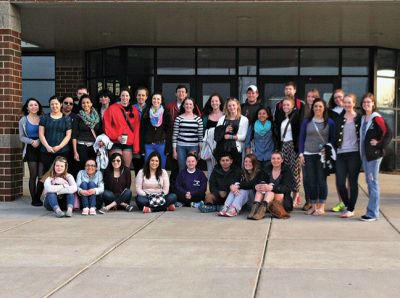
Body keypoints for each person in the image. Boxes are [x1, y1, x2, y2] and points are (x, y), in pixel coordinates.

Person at [299, 98, 336, 216]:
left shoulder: (330, 122)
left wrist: (328, 150)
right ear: (312, 108)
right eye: (315, 106)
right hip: (308, 154)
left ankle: (322, 206)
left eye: (320, 106)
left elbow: (333, 140)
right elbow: (301, 138)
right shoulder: (306, 121)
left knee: (321, 180)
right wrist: (301, 153)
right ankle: (313, 206)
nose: (318, 108)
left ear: (324, 108)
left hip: (322, 156)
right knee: (311, 181)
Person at [359, 93, 391, 221]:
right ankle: (371, 211)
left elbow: (388, 133)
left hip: (374, 156)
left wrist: (379, 144)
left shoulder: (376, 118)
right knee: (369, 182)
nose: (366, 104)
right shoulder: (363, 118)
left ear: (373, 104)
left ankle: (373, 213)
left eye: (369, 102)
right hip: (366, 156)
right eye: (364, 102)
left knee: (373, 183)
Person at [335, 94, 362, 218]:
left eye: (349, 102)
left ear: (354, 103)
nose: (347, 104)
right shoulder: (339, 118)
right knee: (340, 183)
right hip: (341, 153)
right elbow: (334, 135)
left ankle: (351, 209)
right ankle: (347, 205)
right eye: (345, 102)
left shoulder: (360, 118)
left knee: (352, 182)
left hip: (354, 154)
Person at [248, 151, 293, 220]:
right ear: (271, 160)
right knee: (260, 189)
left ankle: (261, 211)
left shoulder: (286, 170)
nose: (275, 160)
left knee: (270, 191)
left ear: (282, 160)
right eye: (273, 158)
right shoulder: (266, 168)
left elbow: (287, 188)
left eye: (278, 158)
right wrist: (257, 186)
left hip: (280, 199)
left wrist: (272, 187)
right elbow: (256, 181)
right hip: (268, 198)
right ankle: (254, 210)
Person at [274, 97, 302, 206]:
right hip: (283, 146)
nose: (285, 107)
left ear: (292, 106)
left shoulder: (296, 116)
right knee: (285, 171)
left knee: (295, 172)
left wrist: (299, 150)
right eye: (284, 105)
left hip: (293, 146)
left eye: (288, 105)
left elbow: (299, 133)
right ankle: (287, 195)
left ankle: (296, 196)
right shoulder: (280, 116)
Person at [103, 88, 140, 168]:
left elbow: (137, 130)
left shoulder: (134, 110)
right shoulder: (112, 108)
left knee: (126, 168)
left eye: (127, 95)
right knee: (115, 167)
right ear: (120, 96)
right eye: (123, 95)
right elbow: (107, 126)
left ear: (130, 97)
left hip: (128, 142)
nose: (125, 97)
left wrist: (136, 147)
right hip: (115, 142)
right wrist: (116, 136)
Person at [19, 98, 44, 206]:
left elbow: (46, 133)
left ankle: (38, 197)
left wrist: (39, 140)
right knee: (33, 175)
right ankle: (34, 199)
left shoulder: (43, 118)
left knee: (41, 176)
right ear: (27, 108)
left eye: (36, 105)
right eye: (31, 105)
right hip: (31, 148)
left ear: (38, 107)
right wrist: (31, 141)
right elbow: (21, 137)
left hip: (42, 148)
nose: (34, 107)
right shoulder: (23, 120)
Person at [39, 96, 72, 173]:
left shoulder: (66, 118)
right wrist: (47, 147)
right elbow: (41, 134)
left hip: (63, 151)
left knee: (61, 173)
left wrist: (59, 146)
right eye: (52, 104)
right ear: (50, 105)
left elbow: (68, 135)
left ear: (60, 104)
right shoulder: (44, 118)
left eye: (56, 104)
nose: (54, 106)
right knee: (47, 173)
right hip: (46, 151)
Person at [214, 97, 249, 167]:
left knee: (236, 170)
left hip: (236, 149)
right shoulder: (222, 119)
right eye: (229, 106)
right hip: (223, 149)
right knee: (223, 170)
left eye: (233, 105)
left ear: (237, 106)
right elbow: (216, 133)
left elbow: (243, 137)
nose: (231, 107)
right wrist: (225, 130)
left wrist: (230, 137)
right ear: (227, 107)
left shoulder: (244, 119)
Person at [140, 92, 172, 169]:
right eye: (154, 98)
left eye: (158, 99)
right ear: (151, 100)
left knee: (161, 167)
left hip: (161, 145)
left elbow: (169, 131)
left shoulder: (166, 113)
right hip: (148, 145)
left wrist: (168, 148)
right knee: (148, 168)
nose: (156, 101)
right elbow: (142, 131)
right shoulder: (146, 112)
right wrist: (142, 148)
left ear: (161, 101)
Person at [172, 98, 203, 171]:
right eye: (186, 104)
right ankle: (182, 182)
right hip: (180, 147)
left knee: (192, 168)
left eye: (190, 104)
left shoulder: (198, 119)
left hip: (194, 147)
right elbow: (175, 135)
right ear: (183, 106)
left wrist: (201, 150)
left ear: (193, 106)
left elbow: (200, 136)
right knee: (182, 168)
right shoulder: (178, 119)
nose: (188, 106)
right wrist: (174, 151)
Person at [328, 88, 346, 213]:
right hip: (336, 149)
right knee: (339, 177)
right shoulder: (330, 113)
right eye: (336, 98)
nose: (338, 99)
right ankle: (341, 202)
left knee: (350, 178)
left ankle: (349, 202)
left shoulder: (351, 111)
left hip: (351, 149)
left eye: (340, 97)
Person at [72, 95, 101, 172]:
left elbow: (100, 132)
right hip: (81, 146)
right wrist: (75, 152)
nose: (86, 104)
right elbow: (74, 135)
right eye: (83, 103)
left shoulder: (97, 117)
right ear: (81, 105)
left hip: (94, 146)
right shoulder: (78, 117)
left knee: (93, 168)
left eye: (88, 102)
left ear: (91, 103)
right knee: (83, 168)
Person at [302, 88, 320, 210]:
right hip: (305, 149)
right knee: (306, 177)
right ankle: (308, 200)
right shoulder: (302, 112)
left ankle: (317, 201)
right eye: (309, 96)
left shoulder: (321, 111)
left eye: (313, 97)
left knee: (317, 177)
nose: (311, 99)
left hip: (318, 150)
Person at [201, 93, 224, 178]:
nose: (214, 103)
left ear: (220, 102)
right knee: (210, 169)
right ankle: (212, 189)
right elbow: (202, 131)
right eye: (212, 101)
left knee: (222, 167)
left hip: (221, 146)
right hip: (209, 146)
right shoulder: (206, 116)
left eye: (216, 101)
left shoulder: (225, 115)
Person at [132, 87, 149, 176]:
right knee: (137, 165)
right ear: (136, 97)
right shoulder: (131, 108)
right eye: (139, 95)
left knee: (147, 165)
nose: (141, 97)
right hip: (135, 139)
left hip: (146, 140)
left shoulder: (150, 108)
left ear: (146, 97)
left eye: (143, 95)